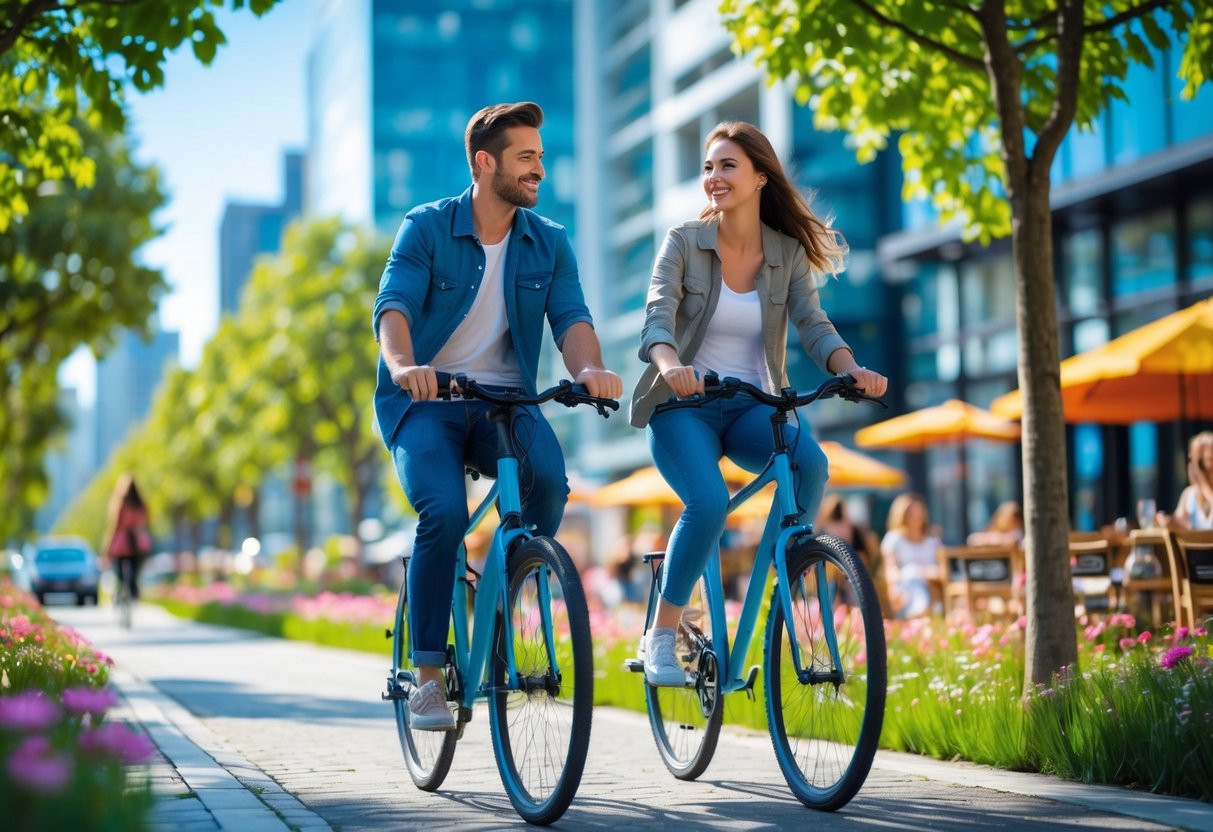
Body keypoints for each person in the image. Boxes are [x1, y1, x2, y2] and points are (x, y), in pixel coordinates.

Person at [373, 102, 622, 730]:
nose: (541, 168)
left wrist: (588, 369)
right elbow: (394, 305)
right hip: (426, 402)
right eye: (527, 157)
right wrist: (405, 367)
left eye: (541, 155)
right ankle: (428, 676)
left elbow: (572, 319)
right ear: (486, 163)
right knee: (446, 513)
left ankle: (499, 598)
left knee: (550, 485)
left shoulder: (549, 241)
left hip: (505, 403)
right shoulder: (426, 227)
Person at [629, 121, 888, 686]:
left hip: (753, 405)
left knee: (811, 464)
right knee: (708, 503)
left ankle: (785, 570)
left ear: (759, 179)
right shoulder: (683, 242)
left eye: (727, 166)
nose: (714, 177)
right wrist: (672, 367)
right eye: (708, 167)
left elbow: (814, 326)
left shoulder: (787, 254)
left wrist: (853, 369)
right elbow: (657, 316)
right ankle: (662, 636)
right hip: (683, 408)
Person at [880, 492, 942, 619]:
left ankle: (923, 611)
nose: (916, 516)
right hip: (906, 588)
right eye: (912, 512)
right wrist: (894, 588)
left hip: (933, 587)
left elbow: (943, 569)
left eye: (919, 512)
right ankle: (921, 610)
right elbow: (891, 570)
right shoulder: (893, 539)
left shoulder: (933, 540)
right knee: (914, 585)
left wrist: (922, 572)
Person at [102, 474, 152, 602]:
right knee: (135, 569)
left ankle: (119, 592)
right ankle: (133, 590)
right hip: (137, 541)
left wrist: (107, 547)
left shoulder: (121, 504)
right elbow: (147, 523)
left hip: (122, 542)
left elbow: (115, 526)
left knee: (118, 570)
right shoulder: (141, 505)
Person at [1159, 431, 1213, 530]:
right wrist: (1169, 521)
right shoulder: (1189, 494)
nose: (1192, 465)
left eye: (1199, 462)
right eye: (1191, 459)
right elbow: (1181, 523)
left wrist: (1203, 482)